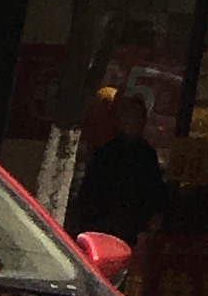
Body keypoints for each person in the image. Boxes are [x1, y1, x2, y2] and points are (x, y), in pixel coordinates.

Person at [73, 96, 170, 248]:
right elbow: (91, 190)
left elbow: (154, 189)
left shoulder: (146, 155)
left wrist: (154, 216)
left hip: (131, 228)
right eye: (129, 116)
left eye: (137, 117)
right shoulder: (107, 152)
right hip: (103, 225)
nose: (132, 121)